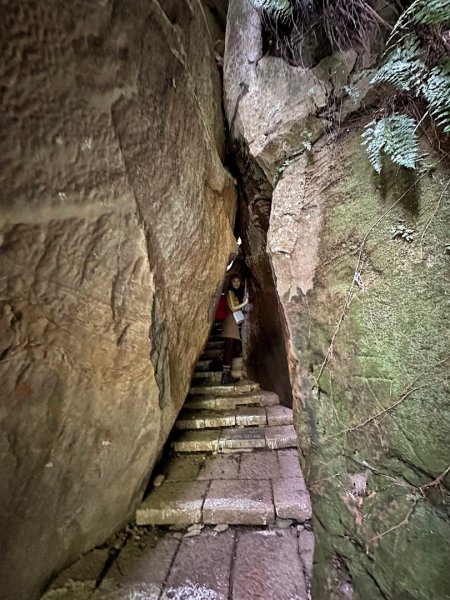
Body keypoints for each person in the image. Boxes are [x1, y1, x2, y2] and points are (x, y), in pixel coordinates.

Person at [221, 274, 248, 385]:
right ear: (231, 283)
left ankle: (220, 359)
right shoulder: (231, 292)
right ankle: (225, 375)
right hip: (230, 321)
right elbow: (233, 308)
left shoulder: (237, 293)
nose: (236, 283)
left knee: (236, 348)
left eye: (238, 281)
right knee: (230, 347)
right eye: (234, 281)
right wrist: (245, 302)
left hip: (234, 323)